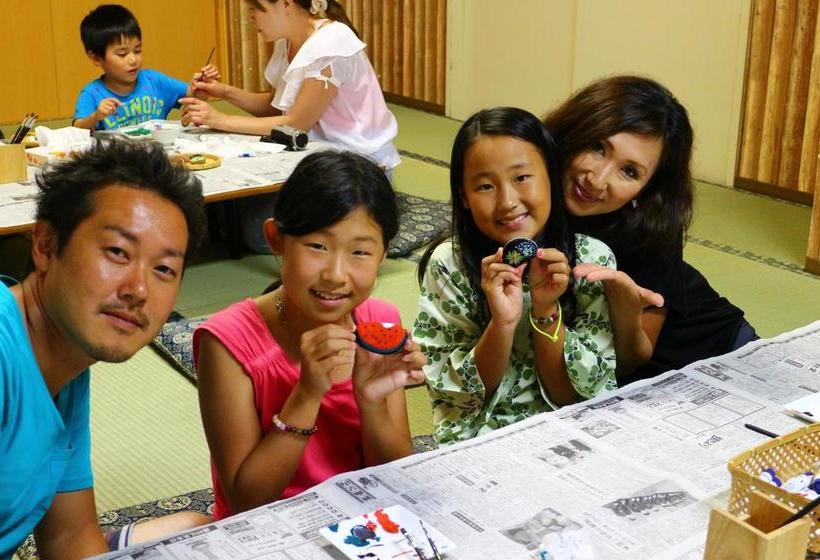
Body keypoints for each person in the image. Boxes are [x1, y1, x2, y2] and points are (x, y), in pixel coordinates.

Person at [0, 140, 208, 559]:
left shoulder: (66, 365)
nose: (138, 291)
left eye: (164, 269)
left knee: (197, 529)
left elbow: (69, 535)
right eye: (117, 252)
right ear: (45, 246)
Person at [194, 150, 426, 520]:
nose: (335, 274)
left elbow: (392, 475)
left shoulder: (380, 322)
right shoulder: (227, 341)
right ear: (276, 239)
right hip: (270, 528)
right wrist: (307, 392)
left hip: (361, 523)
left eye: (360, 252)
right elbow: (246, 502)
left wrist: (371, 401)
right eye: (318, 246)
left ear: (383, 255)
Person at [414, 107, 617, 446]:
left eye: (521, 178)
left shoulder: (591, 260)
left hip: (572, 433)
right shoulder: (448, 263)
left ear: (551, 176)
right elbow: (458, 396)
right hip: (480, 438)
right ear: (463, 197)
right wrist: (503, 324)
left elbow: (578, 396)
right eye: (484, 186)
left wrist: (545, 310)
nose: (507, 202)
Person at [543, 75, 757, 384]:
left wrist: (626, 310)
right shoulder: (531, 182)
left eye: (629, 171)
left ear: (646, 189)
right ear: (575, 127)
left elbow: (630, 362)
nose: (597, 180)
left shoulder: (651, 231)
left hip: (714, 354)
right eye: (598, 147)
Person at [73, 4, 219, 130]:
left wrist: (203, 85)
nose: (133, 60)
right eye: (122, 54)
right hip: (118, 159)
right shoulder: (92, 93)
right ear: (96, 58)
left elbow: (194, 96)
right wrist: (95, 117)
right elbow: (76, 129)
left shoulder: (154, 80)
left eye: (137, 50)